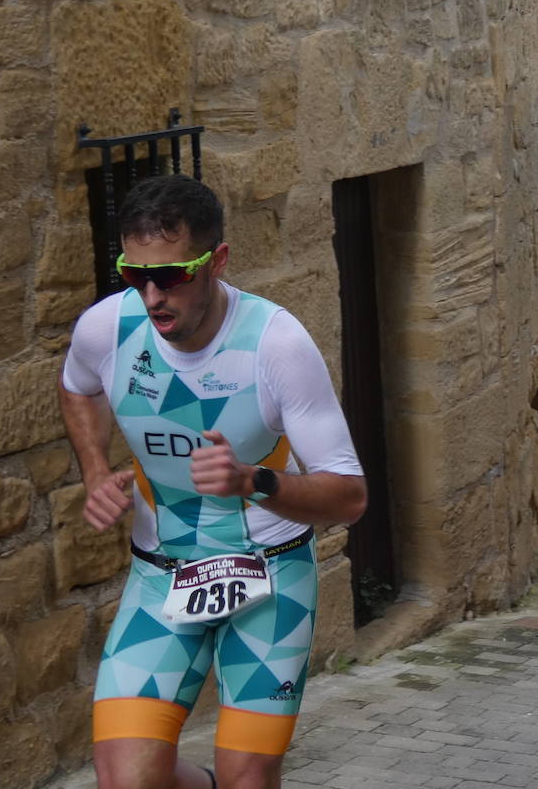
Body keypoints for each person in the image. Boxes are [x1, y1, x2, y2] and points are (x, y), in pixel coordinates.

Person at [59, 175, 368, 789]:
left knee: (248, 778)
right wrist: (94, 470)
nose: (152, 296)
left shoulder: (276, 343)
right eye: (134, 275)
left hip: (270, 576)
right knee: (125, 778)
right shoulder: (106, 329)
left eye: (171, 276)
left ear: (217, 261)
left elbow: (349, 496)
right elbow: (78, 387)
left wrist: (255, 480)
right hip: (161, 573)